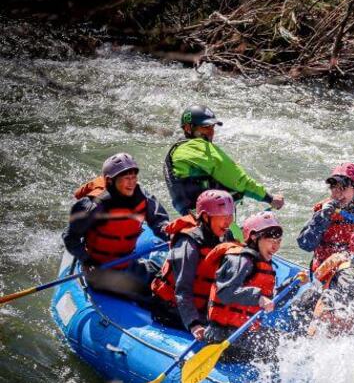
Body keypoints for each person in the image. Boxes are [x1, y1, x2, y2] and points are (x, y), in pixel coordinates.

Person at [63, 153, 169, 300]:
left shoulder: (142, 197)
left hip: (128, 263)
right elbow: (70, 237)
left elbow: (160, 222)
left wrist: (173, 235)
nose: (131, 183)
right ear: (110, 181)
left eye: (134, 178)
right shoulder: (94, 205)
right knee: (153, 296)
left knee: (169, 282)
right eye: (126, 178)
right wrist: (86, 260)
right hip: (101, 271)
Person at [163, 104, 285, 216]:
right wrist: (269, 198)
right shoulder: (198, 147)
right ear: (188, 128)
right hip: (213, 218)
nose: (211, 132)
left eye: (212, 127)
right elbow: (237, 180)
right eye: (205, 127)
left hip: (194, 217)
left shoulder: (177, 150)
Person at [150, 189, 237, 338]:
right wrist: (194, 323)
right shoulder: (188, 244)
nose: (228, 222)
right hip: (171, 308)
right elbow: (182, 290)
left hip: (202, 306)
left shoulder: (225, 236)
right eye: (223, 216)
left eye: (230, 215)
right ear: (205, 216)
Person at [204, 211, 286, 361]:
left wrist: (293, 284)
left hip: (241, 333)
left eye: (278, 241)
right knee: (279, 347)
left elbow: (270, 299)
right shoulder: (242, 260)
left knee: (285, 340)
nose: (275, 247)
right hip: (222, 337)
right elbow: (225, 292)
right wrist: (258, 298)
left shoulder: (262, 263)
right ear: (254, 237)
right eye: (271, 240)